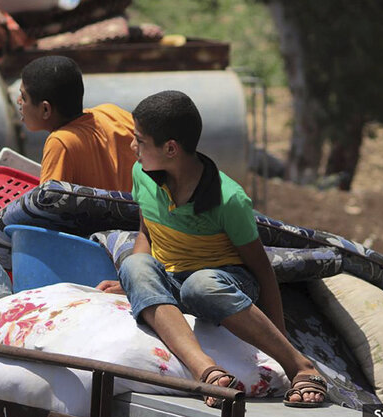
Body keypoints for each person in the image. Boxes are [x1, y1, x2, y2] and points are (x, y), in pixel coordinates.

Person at [96, 91, 327, 408]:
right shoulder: (142, 174)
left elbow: (261, 269)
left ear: (171, 148)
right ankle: (206, 371)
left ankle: (302, 366)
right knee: (134, 266)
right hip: (170, 278)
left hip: (221, 281)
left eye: (140, 141)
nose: (132, 147)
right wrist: (137, 286)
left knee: (199, 285)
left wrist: (282, 343)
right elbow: (145, 231)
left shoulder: (228, 198)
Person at [17, 55, 135, 192]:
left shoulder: (60, 142)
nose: (18, 101)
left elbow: (48, 206)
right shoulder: (113, 113)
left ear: (45, 109)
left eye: (24, 97)